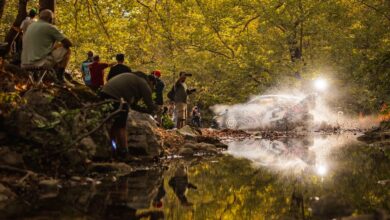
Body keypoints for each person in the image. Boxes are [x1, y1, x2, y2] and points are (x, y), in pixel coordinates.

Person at [100, 72, 158, 158]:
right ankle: (124, 152)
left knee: (114, 124)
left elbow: (133, 105)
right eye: (153, 86)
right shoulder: (144, 83)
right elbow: (149, 104)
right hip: (114, 96)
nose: (152, 88)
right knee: (121, 126)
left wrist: (144, 110)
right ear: (151, 81)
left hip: (104, 93)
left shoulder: (134, 79)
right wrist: (155, 110)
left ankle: (114, 149)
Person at [21, 9, 73, 82]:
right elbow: (69, 43)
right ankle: (60, 77)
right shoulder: (50, 27)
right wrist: (58, 44)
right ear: (50, 19)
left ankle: (41, 79)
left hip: (25, 62)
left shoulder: (31, 26)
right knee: (67, 50)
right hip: (40, 63)